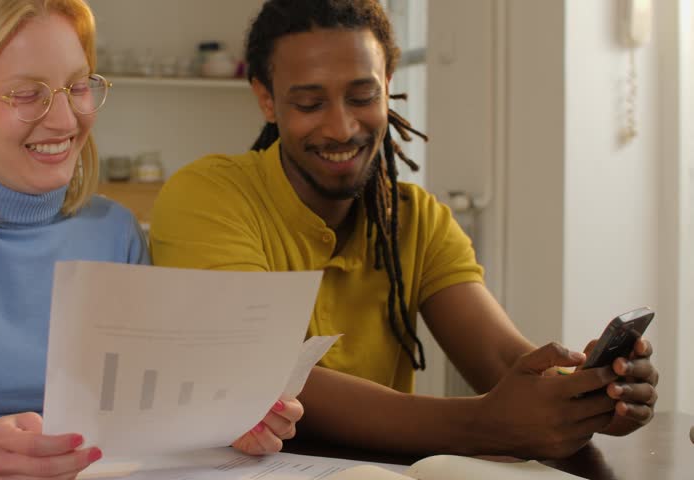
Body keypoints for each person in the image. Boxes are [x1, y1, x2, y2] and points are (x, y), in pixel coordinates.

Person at [150, 0, 659, 460]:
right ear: (266, 99)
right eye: (309, 103)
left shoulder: (418, 220)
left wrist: (586, 395)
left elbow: (502, 358)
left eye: (362, 95)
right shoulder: (208, 197)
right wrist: (485, 424)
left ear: (389, 83)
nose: (341, 127)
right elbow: (262, 375)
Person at [0, 1, 300, 479]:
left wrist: (223, 421)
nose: (64, 120)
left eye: (77, 87)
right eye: (27, 94)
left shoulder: (114, 231)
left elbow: (142, 411)